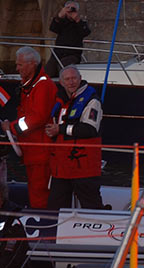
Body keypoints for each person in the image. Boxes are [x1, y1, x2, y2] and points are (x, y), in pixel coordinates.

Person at [2, 47, 57, 209]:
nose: (17, 68)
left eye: (20, 65)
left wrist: (11, 128)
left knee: (39, 192)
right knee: (36, 190)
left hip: (41, 151)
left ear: (32, 64)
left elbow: (37, 118)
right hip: (33, 150)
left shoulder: (42, 86)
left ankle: (41, 222)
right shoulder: (31, 85)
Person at [45, 66, 105, 210]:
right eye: (67, 79)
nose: (71, 82)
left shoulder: (92, 101)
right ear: (61, 82)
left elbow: (90, 129)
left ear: (80, 78)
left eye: (74, 78)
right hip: (62, 167)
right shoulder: (62, 101)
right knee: (55, 207)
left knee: (92, 207)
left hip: (83, 166)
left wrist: (60, 129)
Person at [49, 0, 91, 74]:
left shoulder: (81, 23)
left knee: (62, 66)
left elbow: (85, 32)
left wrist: (77, 20)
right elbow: (53, 28)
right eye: (68, 8)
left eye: (73, 8)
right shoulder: (62, 21)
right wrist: (59, 16)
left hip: (73, 54)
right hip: (58, 53)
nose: (70, 10)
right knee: (48, 70)